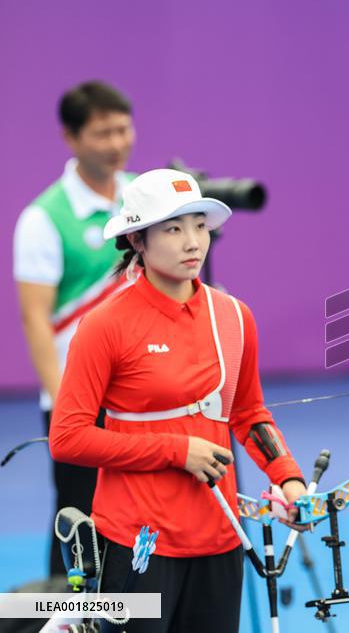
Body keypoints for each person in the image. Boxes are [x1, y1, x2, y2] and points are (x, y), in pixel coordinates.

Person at [49, 168, 308, 633]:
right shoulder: (104, 326)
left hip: (221, 537)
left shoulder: (233, 317)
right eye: (173, 228)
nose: (193, 242)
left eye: (199, 226)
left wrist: (288, 478)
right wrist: (175, 450)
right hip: (137, 546)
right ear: (137, 240)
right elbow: (68, 439)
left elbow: (248, 413)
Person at [13, 80, 136, 576]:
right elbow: (36, 321)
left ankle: (135, 614)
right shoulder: (42, 220)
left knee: (140, 513)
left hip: (139, 392)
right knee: (78, 520)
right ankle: (62, 618)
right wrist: (67, 405)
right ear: (70, 138)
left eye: (124, 129)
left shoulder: (144, 198)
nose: (117, 143)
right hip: (79, 399)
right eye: (102, 133)